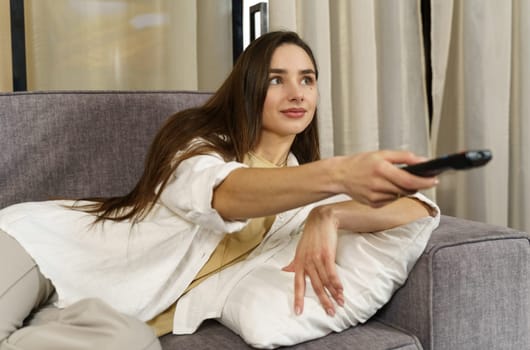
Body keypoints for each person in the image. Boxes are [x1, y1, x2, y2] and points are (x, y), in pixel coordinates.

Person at [0, 31, 438, 349]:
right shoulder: (195, 142)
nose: (296, 92)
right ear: (249, 87)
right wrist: (339, 176)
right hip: (39, 248)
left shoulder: (303, 189)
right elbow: (223, 195)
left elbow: (417, 208)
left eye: (307, 79)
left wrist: (332, 214)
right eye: (275, 79)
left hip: (107, 309)